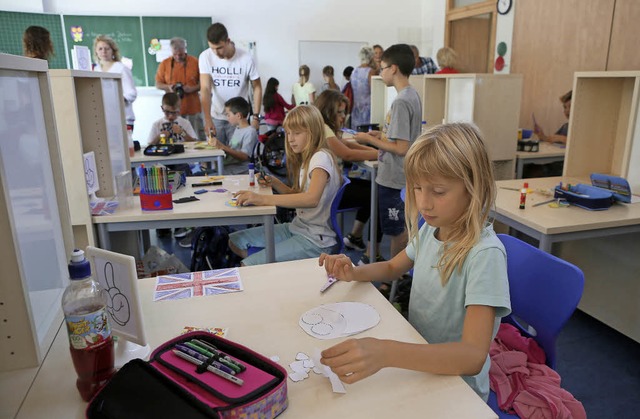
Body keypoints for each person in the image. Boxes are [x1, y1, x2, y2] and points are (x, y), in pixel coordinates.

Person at [319, 122, 511, 402]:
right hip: (419, 358)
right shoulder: (432, 230)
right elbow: (392, 267)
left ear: (473, 187)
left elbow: (472, 357)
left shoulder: (485, 255)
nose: (424, 203)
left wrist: (386, 353)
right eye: (418, 188)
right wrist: (353, 272)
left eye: (439, 191)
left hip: (457, 388)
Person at [228, 105, 341, 266]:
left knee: (247, 266)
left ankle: (267, 267)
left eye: (297, 133)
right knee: (235, 241)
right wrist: (275, 182)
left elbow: (311, 199)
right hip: (298, 227)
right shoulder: (309, 158)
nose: (290, 139)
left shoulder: (320, 158)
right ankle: (271, 267)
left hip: (315, 240)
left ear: (313, 132)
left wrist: (262, 199)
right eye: (288, 133)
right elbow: (298, 194)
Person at [353, 44, 422, 262]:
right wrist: (381, 135)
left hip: (393, 178)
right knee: (399, 229)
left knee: (397, 233)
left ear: (393, 68)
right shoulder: (411, 94)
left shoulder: (402, 101)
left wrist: (369, 140)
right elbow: (401, 138)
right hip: (397, 175)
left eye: (382, 67)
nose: (380, 72)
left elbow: (402, 148)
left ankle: (393, 280)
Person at [314, 90, 382, 259]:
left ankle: (355, 237)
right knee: (378, 195)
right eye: (339, 112)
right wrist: (382, 154)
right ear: (328, 111)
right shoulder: (324, 129)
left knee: (372, 190)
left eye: (344, 112)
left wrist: (379, 150)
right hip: (329, 191)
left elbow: (346, 145)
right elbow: (348, 154)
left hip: (330, 186)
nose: (343, 116)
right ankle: (371, 255)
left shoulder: (323, 127)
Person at [199, 23, 262, 146]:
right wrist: (207, 119)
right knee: (216, 156)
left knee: (237, 156)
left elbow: (257, 87)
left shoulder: (246, 58)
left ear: (228, 41)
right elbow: (205, 89)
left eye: (219, 48)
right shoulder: (205, 57)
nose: (216, 53)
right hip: (217, 116)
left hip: (239, 119)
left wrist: (256, 117)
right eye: (212, 48)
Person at [155, 37, 204, 140]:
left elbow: (204, 83)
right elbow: (158, 84)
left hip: (192, 108)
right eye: (175, 54)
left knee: (195, 138)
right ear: (171, 51)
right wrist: (168, 87)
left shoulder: (195, 62)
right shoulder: (165, 64)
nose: (177, 57)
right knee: (175, 137)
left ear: (185, 49)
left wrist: (192, 88)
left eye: (180, 54)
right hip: (172, 111)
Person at [93, 35, 137, 130]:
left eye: (107, 48)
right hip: (104, 119)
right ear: (96, 51)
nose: (103, 51)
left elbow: (131, 93)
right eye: (100, 49)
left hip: (123, 118)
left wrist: (118, 99)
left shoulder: (121, 68)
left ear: (113, 50)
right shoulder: (96, 70)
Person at [208, 96, 258, 175]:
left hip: (239, 170)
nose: (227, 118)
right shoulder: (237, 129)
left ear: (238, 116)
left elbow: (244, 156)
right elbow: (233, 147)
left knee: (201, 177)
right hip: (228, 167)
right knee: (200, 174)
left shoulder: (250, 132)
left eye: (228, 115)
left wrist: (223, 147)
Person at [350, 46, 377, 130]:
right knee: (367, 135)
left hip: (356, 108)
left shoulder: (354, 71)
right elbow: (375, 91)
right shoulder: (371, 71)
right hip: (367, 109)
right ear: (371, 57)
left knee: (356, 134)